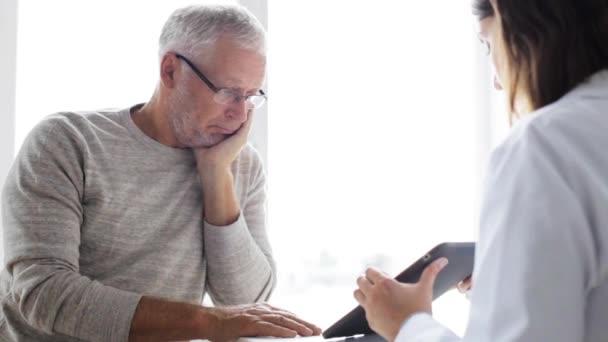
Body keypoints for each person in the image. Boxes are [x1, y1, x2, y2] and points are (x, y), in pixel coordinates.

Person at [0, 4, 321, 341]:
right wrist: (210, 323)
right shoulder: (67, 141)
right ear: (170, 70)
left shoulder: (239, 163)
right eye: (227, 92)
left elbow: (246, 304)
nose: (239, 115)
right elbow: (44, 294)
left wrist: (216, 175)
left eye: (251, 96)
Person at [355, 0, 608, 341]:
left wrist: (407, 324)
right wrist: (503, 287)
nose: (497, 82)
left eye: (489, 44)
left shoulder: (544, 147)